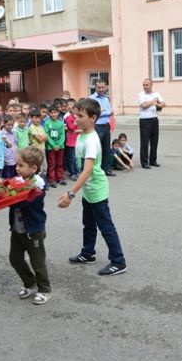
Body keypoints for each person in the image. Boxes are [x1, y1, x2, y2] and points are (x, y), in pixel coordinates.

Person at [57, 98, 127, 276]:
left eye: (80, 115)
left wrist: (70, 194)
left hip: (96, 190)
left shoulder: (91, 141)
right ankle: (88, 253)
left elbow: (87, 171)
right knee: (88, 223)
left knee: (106, 227)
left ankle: (118, 261)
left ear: (93, 118)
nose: (76, 119)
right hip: (88, 191)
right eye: (75, 115)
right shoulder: (82, 136)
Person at [8, 146, 51, 305]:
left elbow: (26, 203)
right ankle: (29, 282)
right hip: (17, 229)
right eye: (17, 165)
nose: (16, 168)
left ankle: (44, 289)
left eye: (20, 165)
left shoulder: (37, 186)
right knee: (15, 259)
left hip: (33, 231)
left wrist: (9, 196)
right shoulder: (19, 181)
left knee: (38, 262)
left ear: (33, 168)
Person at [89, 81, 116, 177]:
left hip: (106, 125)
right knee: (96, 149)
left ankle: (106, 169)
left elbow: (111, 111)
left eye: (102, 87)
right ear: (95, 88)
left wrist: (103, 111)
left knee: (106, 148)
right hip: (97, 126)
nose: (101, 89)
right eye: (99, 87)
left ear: (105, 87)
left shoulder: (106, 98)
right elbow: (94, 113)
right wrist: (104, 112)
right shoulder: (91, 99)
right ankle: (96, 170)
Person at [138, 78, 165, 169]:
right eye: (144, 85)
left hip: (154, 120)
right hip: (145, 121)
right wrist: (153, 101)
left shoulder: (156, 94)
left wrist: (156, 104)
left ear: (151, 85)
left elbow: (163, 104)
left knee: (154, 141)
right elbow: (144, 105)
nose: (145, 87)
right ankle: (144, 162)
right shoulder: (141, 95)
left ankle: (153, 160)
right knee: (145, 142)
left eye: (147, 85)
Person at [44, 105, 66, 188]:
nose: (53, 114)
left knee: (60, 163)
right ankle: (52, 179)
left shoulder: (60, 123)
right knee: (52, 163)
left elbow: (63, 135)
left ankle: (60, 178)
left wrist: (59, 145)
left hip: (60, 147)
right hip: (51, 147)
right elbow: (47, 135)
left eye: (55, 112)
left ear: (58, 113)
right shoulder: (47, 123)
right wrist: (53, 145)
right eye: (51, 113)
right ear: (49, 114)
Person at [28, 110, 48, 177]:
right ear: (31, 118)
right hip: (36, 150)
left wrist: (43, 137)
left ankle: (43, 182)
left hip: (42, 148)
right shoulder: (31, 128)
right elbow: (40, 139)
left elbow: (46, 138)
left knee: (44, 167)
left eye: (39, 118)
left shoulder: (41, 127)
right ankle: (38, 183)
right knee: (38, 167)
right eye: (35, 118)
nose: (37, 120)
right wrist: (43, 137)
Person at [64, 103, 79, 180]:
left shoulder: (79, 117)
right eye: (75, 110)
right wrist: (76, 121)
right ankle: (72, 173)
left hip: (78, 139)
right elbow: (72, 127)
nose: (76, 111)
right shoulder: (68, 118)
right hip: (70, 140)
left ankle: (76, 171)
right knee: (71, 158)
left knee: (76, 157)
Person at [0, 114, 17, 179]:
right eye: (8, 125)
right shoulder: (1, 134)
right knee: (7, 177)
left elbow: (15, 144)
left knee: (12, 176)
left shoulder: (14, 133)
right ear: (4, 123)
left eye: (12, 125)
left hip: (13, 158)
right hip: (5, 159)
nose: (10, 127)